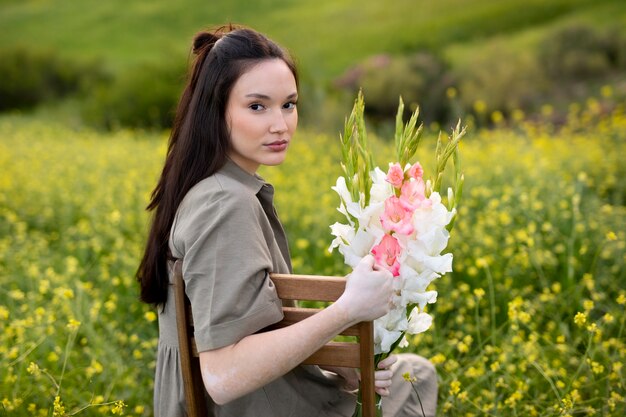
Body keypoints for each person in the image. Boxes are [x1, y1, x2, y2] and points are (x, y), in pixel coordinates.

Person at [136, 25, 438, 417]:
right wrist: (346, 311)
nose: (280, 124)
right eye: (257, 106)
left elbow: (255, 326)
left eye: (289, 104)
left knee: (412, 373)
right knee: (415, 382)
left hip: (270, 396)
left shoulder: (216, 188)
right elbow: (223, 375)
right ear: (216, 110)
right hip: (264, 408)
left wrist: (338, 363)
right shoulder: (226, 205)